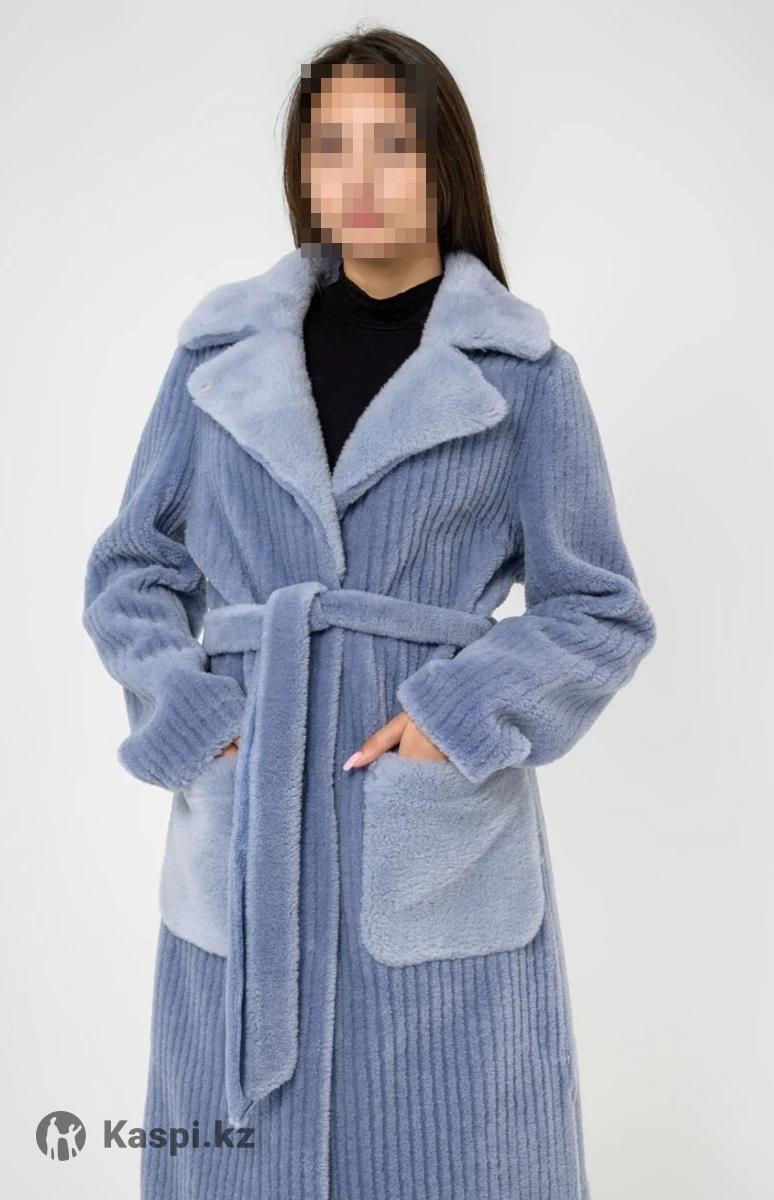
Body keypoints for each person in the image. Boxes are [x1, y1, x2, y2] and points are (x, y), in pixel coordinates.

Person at [82, 24, 656, 1200]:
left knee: (456, 1147)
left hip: (431, 847)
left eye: (391, 144)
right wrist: (198, 722)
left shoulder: (522, 377)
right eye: (329, 145)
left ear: (445, 164)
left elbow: (599, 609)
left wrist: (455, 716)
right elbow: (132, 570)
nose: (357, 176)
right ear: (300, 168)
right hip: (245, 821)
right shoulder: (218, 359)